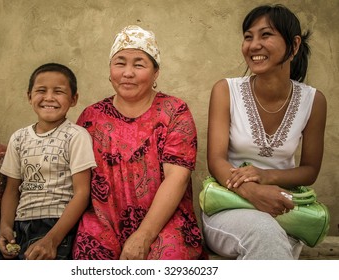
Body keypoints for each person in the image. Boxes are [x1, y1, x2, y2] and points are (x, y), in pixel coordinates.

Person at [201, 4, 327, 260]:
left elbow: (310, 170)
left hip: (283, 209)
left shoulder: (314, 101)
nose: (254, 45)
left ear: (293, 45)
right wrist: (251, 191)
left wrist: (266, 177)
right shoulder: (226, 90)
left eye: (265, 35)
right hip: (230, 205)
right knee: (264, 234)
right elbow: (216, 160)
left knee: (271, 240)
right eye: (248, 37)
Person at [72, 25, 204, 260]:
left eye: (139, 64)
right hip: (104, 222)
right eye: (120, 63)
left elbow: (178, 177)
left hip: (165, 222)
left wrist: (144, 235)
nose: (128, 72)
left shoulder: (174, 111)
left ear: (156, 73)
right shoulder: (91, 117)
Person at [0, 63, 97, 260]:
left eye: (58, 92)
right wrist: (5, 228)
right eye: (41, 91)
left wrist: (52, 239)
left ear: (74, 99)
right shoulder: (19, 138)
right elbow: (12, 189)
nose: (49, 97)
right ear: (29, 96)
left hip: (57, 226)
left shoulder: (76, 136)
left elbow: (82, 193)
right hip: (20, 224)